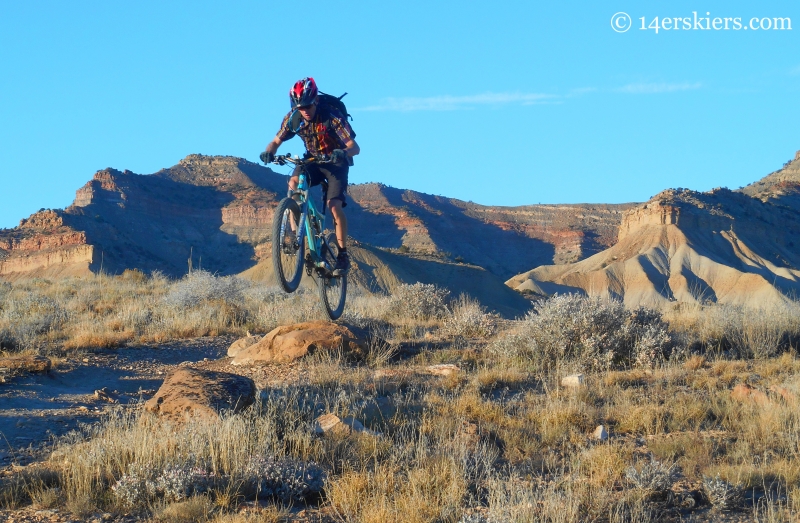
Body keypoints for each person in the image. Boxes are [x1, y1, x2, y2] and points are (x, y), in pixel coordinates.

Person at [260, 77, 359, 274]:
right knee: (294, 182)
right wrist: (268, 152)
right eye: (299, 106)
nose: (303, 110)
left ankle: (342, 254)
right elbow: (275, 141)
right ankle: (294, 237)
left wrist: (343, 152)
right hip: (312, 160)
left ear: (315, 101)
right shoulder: (293, 118)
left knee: (334, 206)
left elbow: (354, 147)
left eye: (307, 105)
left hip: (335, 163)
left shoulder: (332, 116)